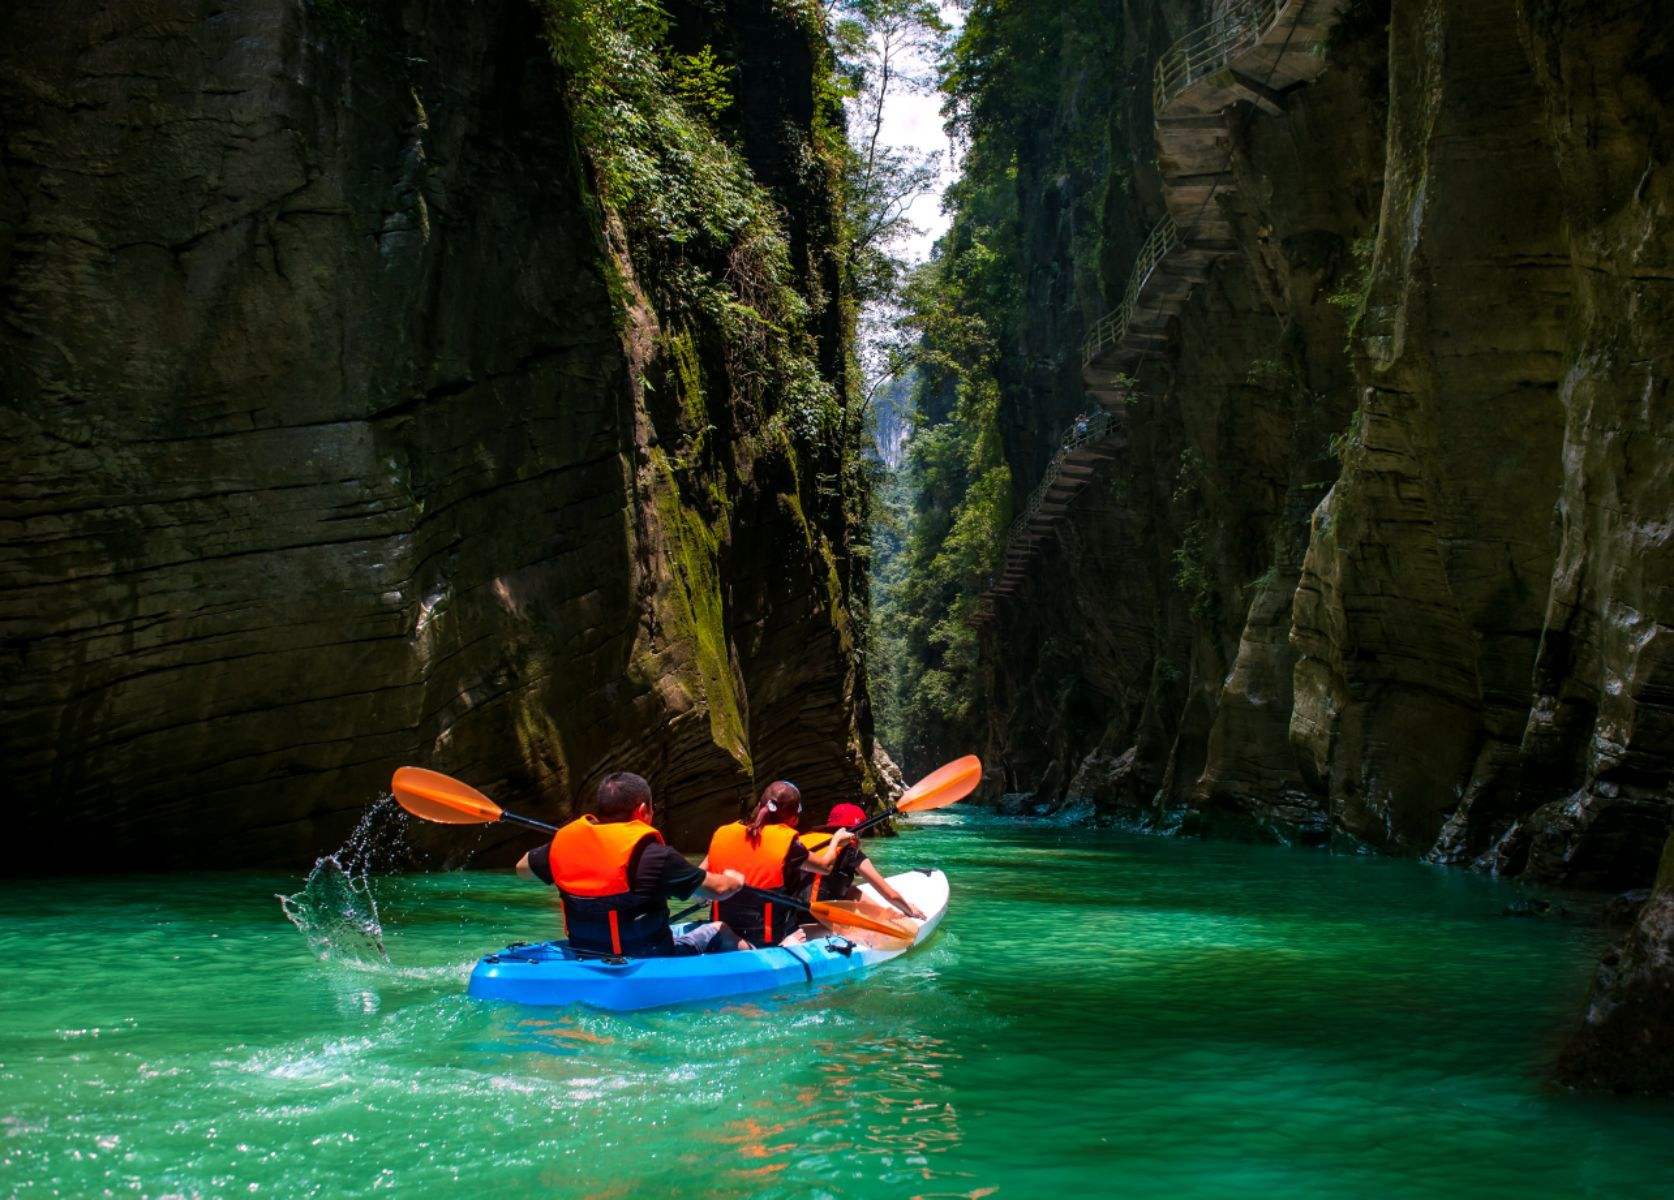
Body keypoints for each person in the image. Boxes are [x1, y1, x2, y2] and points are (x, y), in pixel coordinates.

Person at [517, 772, 747, 958]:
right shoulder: (656, 856)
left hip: (585, 952)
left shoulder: (564, 845)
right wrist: (734, 879)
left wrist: (562, 849)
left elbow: (522, 868)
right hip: (647, 958)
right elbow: (718, 890)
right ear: (643, 810)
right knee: (720, 929)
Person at [702, 781, 852, 946]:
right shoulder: (787, 843)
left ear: (759, 805)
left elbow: (699, 880)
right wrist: (836, 840)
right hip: (764, 938)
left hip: (720, 927)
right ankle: (788, 939)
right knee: (819, 931)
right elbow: (826, 866)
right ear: (794, 819)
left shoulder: (724, 834)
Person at [799, 802, 926, 919]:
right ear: (853, 833)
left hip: (793, 913)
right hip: (817, 916)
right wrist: (910, 909)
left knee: (851, 890)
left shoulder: (803, 842)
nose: (860, 839)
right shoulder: (851, 853)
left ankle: (884, 914)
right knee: (848, 889)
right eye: (860, 833)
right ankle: (887, 918)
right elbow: (890, 895)